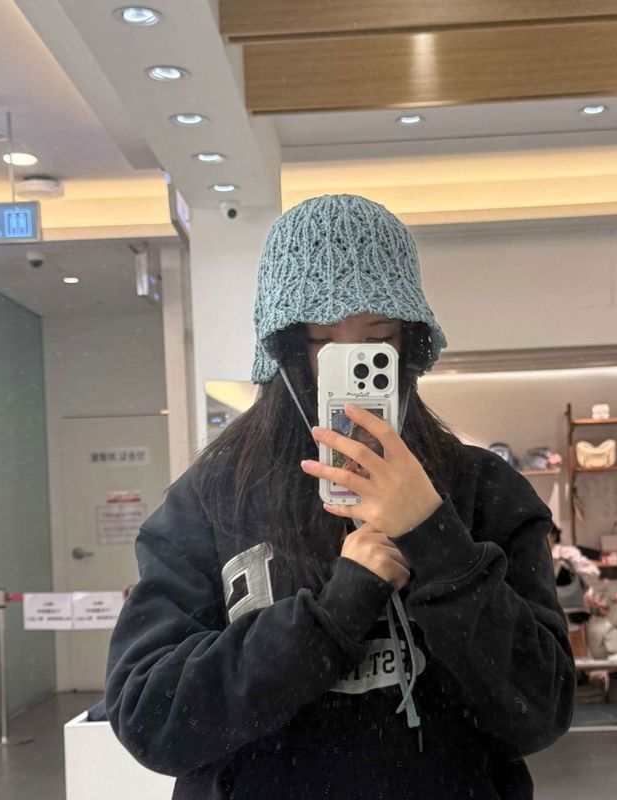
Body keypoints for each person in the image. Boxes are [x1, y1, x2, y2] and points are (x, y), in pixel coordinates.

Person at [104, 194, 575, 800]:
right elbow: (152, 719)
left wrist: (434, 537)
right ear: (282, 348)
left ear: (408, 345)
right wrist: (330, 617)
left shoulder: (482, 489)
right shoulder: (210, 499)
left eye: (378, 339)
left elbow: (540, 709)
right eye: (323, 341)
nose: (351, 366)